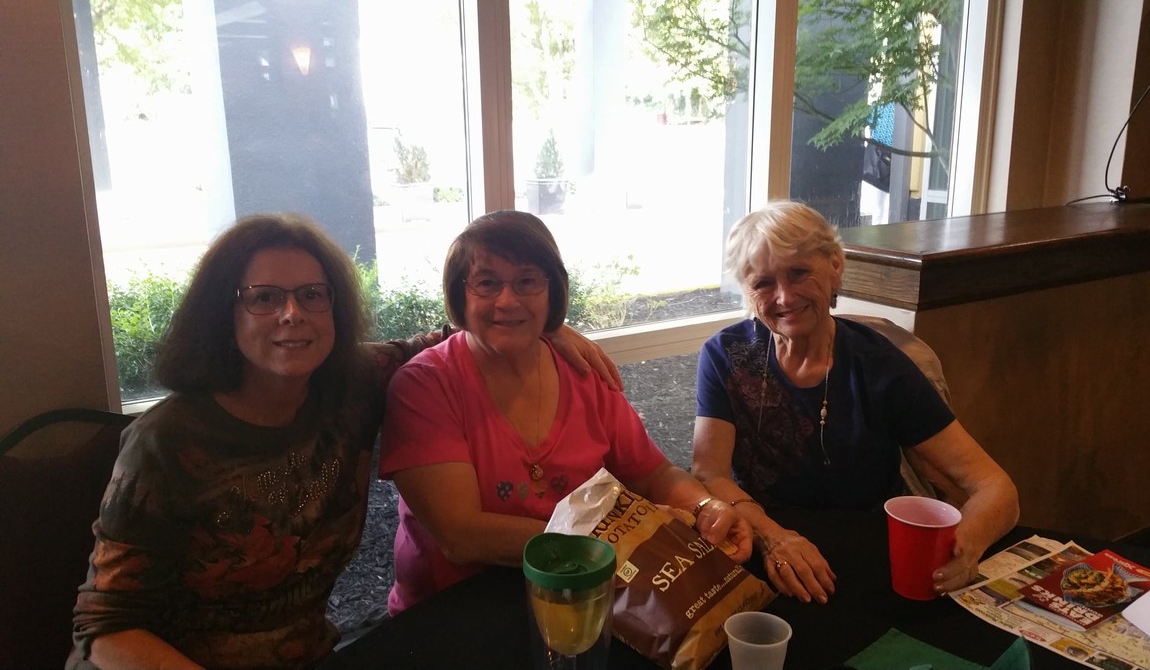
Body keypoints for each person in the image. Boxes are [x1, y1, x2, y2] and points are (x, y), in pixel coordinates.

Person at [69, 213, 616, 670]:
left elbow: (470, 329)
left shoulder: (352, 386)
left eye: (312, 295)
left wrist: (549, 325)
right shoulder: (168, 441)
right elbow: (104, 627)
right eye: (264, 297)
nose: (292, 314)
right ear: (222, 312)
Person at [378, 210, 754, 614]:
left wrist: (706, 508)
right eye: (486, 283)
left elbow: (653, 474)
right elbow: (462, 536)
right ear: (459, 294)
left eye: (527, 281)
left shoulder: (583, 373)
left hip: (578, 597)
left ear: (552, 292)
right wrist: (609, 540)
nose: (507, 300)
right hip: (454, 612)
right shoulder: (424, 385)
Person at [690, 200, 1019, 605]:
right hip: (760, 542)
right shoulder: (725, 355)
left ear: (835, 265)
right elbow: (708, 473)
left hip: (866, 553)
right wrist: (773, 537)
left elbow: (996, 488)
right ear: (746, 290)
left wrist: (963, 547)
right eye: (763, 283)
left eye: (799, 273)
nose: (784, 297)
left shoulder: (880, 366)